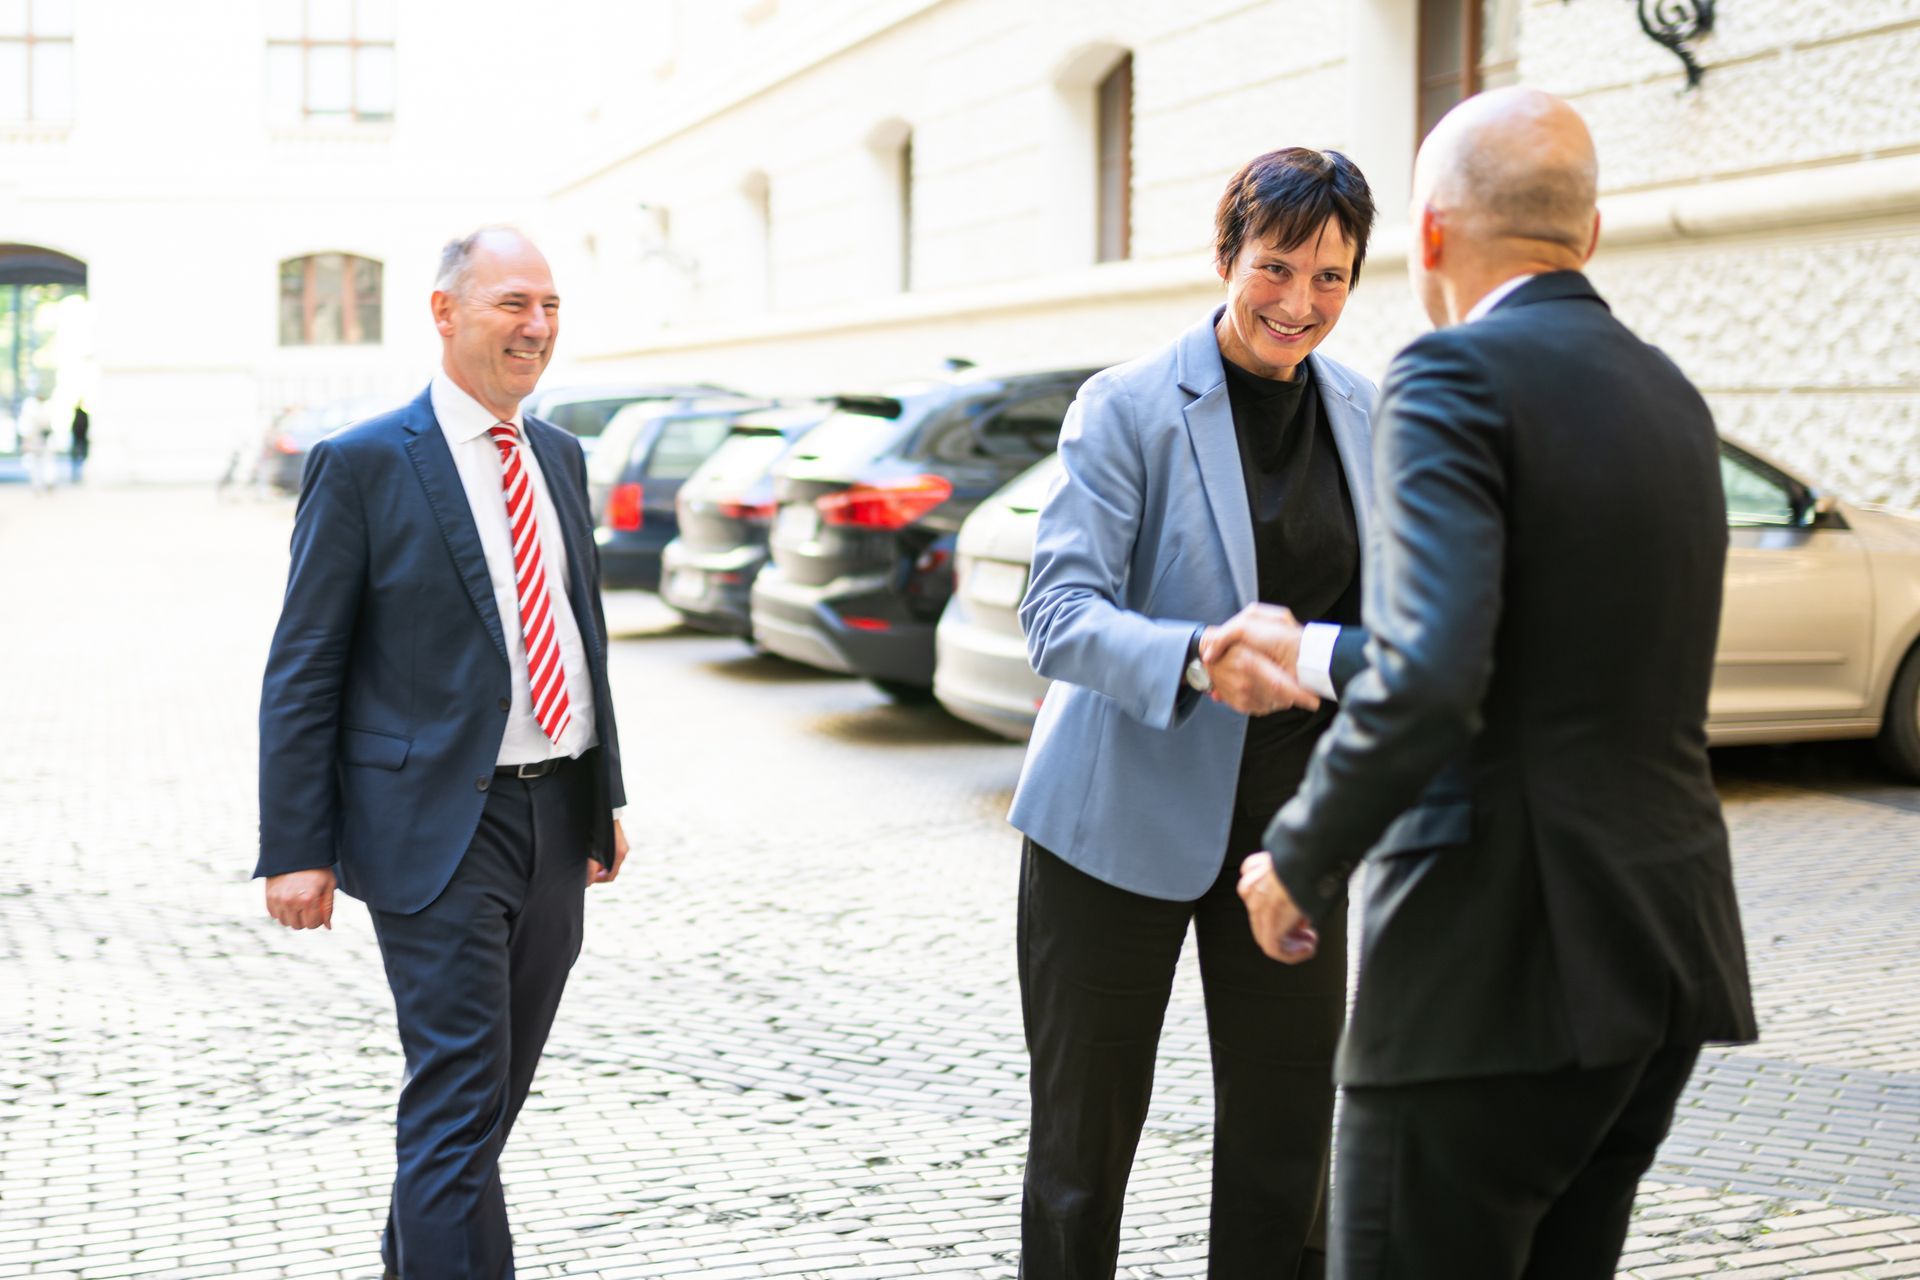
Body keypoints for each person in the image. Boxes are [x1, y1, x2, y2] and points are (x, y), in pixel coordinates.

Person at [1219, 89, 1757, 1278]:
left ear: (1432, 234)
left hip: (1488, 972)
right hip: (1660, 956)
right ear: (1589, 234)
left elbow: (1434, 673)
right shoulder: (1669, 393)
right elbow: (1542, 655)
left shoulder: (1449, 374)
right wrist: (1310, 652)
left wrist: (1300, 852)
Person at [1009, 148, 1462, 1280]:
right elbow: (1057, 614)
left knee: (1286, 1144)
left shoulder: (1367, 411)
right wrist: (1198, 658)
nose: (1300, 302)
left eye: (1330, 276)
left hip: (1293, 837)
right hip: (1114, 827)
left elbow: (1389, 631)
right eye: (1276, 267)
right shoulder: (1125, 405)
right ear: (1226, 256)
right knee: (1081, 1153)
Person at [256, 227, 629, 1280]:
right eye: (513, 303)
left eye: (550, 306)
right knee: (460, 1099)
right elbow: (305, 668)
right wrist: (298, 846)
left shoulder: (560, 457)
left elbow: (582, 637)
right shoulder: (365, 463)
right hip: (435, 828)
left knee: (485, 1107)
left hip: (556, 817)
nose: (537, 327)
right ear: (444, 311)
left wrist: (602, 799)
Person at [69, 401, 89, 484]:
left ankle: (76, 476)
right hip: (80, 439)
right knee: (78, 458)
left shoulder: (78, 415)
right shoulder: (82, 415)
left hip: (78, 439)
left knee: (76, 458)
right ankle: (77, 476)